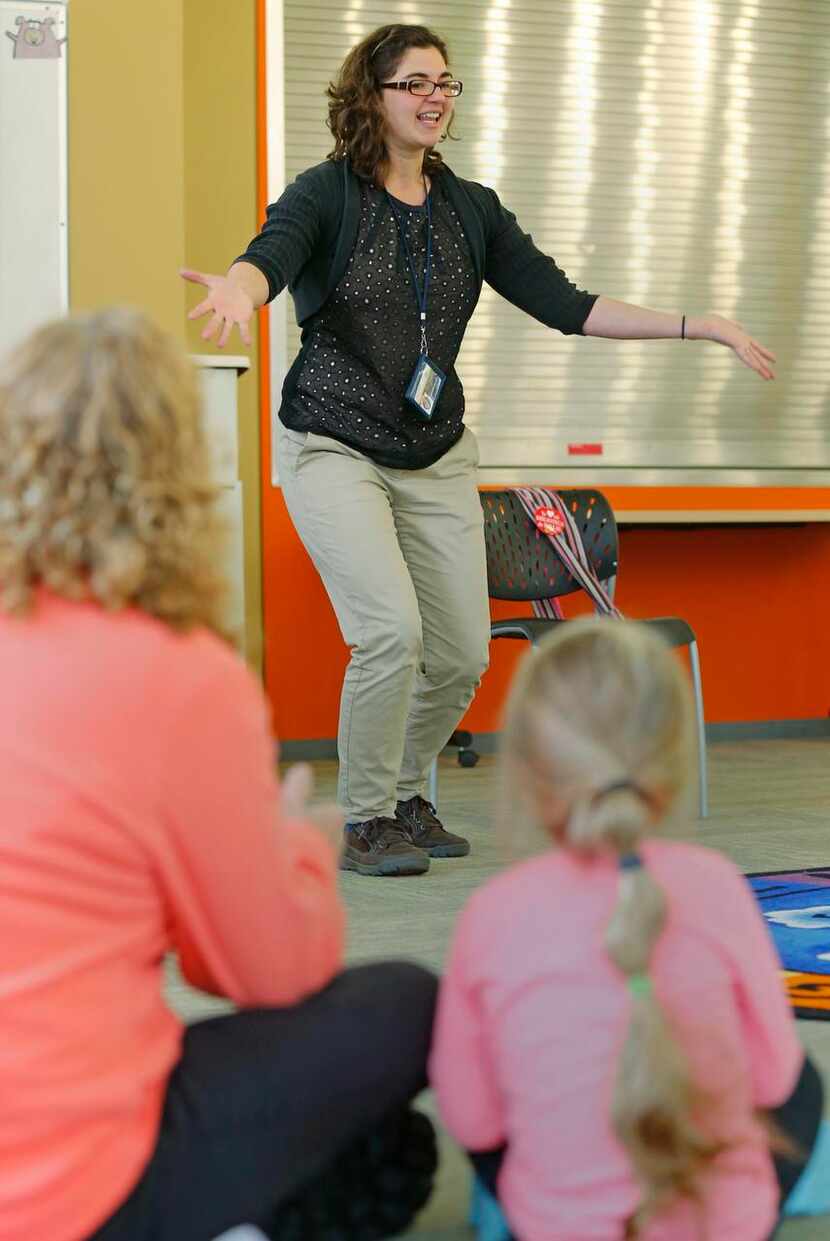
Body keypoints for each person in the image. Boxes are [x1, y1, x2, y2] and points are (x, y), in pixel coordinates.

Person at [181, 23, 776, 879]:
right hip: (332, 443)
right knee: (389, 632)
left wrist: (699, 325)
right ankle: (367, 816)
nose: (433, 98)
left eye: (445, 84)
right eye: (415, 82)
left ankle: (409, 793)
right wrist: (240, 291)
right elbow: (267, 256)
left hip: (436, 451)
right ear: (372, 97)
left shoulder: (470, 209)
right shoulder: (328, 195)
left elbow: (567, 304)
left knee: (459, 650)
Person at [0, 308, 438, 1241]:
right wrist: (297, 850)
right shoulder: (188, 678)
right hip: (77, 1186)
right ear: (175, 470)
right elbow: (261, 969)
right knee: (406, 1001)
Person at [429, 618, 823, 1241]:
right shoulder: (716, 884)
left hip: (556, 1226)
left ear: (529, 769)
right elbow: (775, 1078)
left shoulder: (494, 912)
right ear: (670, 761)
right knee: (805, 1083)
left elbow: (473, 1121)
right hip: (728, 1225)